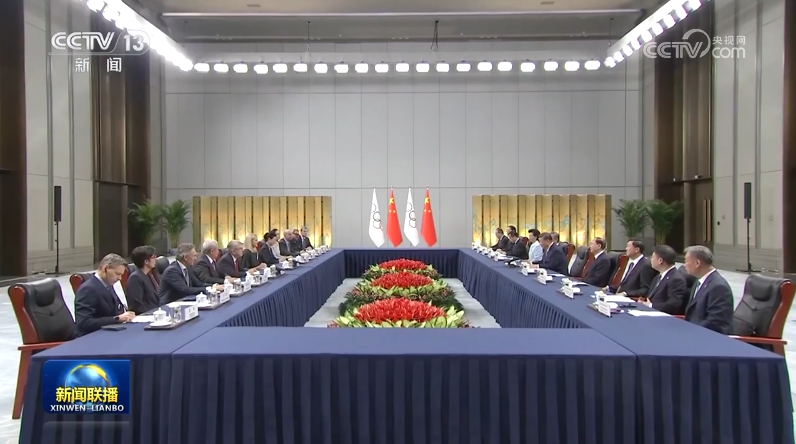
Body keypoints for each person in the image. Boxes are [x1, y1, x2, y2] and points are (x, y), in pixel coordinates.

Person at [74, 253, 135, 336]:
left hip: (111, 332)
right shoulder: (88, 289)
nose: (120, 278)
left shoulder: (107, 284)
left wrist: (126, 316)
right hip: (93, 336)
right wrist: (117, 318)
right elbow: (83, 322)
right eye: (117, 274)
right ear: (105, 268)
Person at [683, 245, 734, 334]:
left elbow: (715, 322)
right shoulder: (699, 281)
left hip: (709, 337)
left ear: (697, 263)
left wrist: (690, 332)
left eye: (686, 261)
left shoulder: (718, 287)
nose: (684, 265)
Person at [644, 244, 688, 315]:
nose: (650, 259)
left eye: (652, 257)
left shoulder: (676, 279)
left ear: (660, 260)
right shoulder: (658, 276)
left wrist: (651, 305)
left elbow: (674, 304)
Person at [126, 246, 160, 314]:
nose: (156, 259)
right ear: (146, 261)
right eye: (153, 257)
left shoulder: (149, 275)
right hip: (146, 315)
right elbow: (137, 305)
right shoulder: (135, 278)